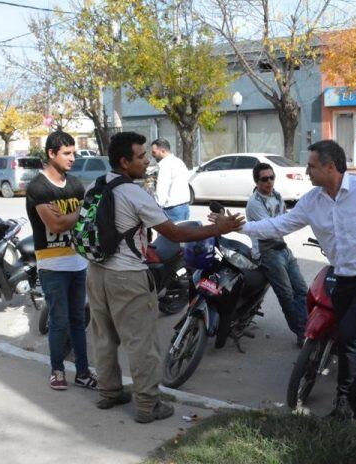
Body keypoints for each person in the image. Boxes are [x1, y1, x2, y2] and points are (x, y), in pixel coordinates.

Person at [238, 140, 356, 421]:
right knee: (343, 335)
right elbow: (279, 225)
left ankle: (346, 406)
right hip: (343, 276)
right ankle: (348, 402)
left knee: (348, 334)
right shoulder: (312, 200)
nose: (306, 171)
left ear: (330, 167)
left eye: (311, 166)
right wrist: (241, 226)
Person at [88, 131, 244, 423]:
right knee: (142, 342)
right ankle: (148, 405)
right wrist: (217, 229)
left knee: (104, 337)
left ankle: (108, 392)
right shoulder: (134, 193)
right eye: (141, 156)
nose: (147, 161)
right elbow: (174, 233)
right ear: (124, 162)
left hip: (96, 273)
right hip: (127, 277)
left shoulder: (96, 186)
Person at [25, 130, 97, 392]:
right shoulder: (38, 188)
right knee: (59, 320)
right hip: (52, 266)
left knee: (79, 320)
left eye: (74, 152)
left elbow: (81, 222)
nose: (72, 157)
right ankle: (56, 370)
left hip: (78, 263)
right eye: (67, 153)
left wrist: (73, 216)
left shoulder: (75, 184)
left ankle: (82, 371)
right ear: (51, 154)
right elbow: (55, 223)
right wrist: (81, 211)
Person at [246, 162, 308, 346]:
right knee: (286, 294)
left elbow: (284, 221)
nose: (269, 182)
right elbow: (271, 229)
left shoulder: (277, 196)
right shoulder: (254, 203)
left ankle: (306, 327)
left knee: (302, 290)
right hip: (268, 251)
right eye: (264, 179)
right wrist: (283, 223)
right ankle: (301, 332)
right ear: (256, 182)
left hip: (282, 247)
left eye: (272, 177)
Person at [151, 138, 190, 221]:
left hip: (171, 210)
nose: (152, 155)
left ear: (163, 151)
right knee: (183, 233)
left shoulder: (165, 165)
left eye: (154, 152)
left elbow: (161, 192)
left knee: (167, 234)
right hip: (184, 208)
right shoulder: (178, 161)